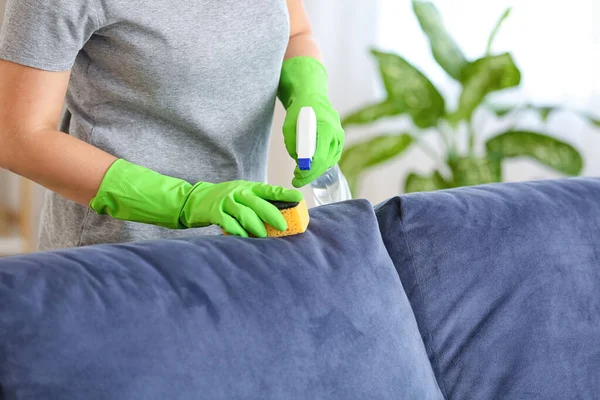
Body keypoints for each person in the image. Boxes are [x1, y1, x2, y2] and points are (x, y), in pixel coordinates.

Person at [0, 0, 344, 250]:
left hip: (241, 243)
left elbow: (295, 30)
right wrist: (185, 202)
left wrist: (309, 93)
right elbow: (18, 136)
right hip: (119, 257)